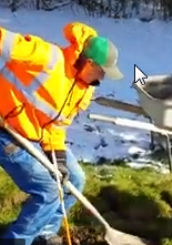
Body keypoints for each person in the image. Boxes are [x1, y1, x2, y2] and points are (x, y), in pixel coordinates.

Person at [0, 22, 123, 245]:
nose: (101, 79)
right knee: (46, 190)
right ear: (89, 62)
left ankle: (43, 232)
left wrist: (58, 159)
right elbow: (4, 41)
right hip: (5, 131)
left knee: (74, 179)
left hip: (32, 135)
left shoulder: (83, 89)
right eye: (101, 72)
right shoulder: (48, 57)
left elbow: (56, 126)